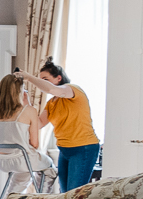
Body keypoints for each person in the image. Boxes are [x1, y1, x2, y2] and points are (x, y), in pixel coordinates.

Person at [15, 59, 101, 190]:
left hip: (83, 148)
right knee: (64, 193)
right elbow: (38, 124)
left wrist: (28, 77)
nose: (42, 83)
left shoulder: (73, 90)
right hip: (64, 149)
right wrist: (27, 103)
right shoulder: (52, 103)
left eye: (45, 79)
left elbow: (51, 89)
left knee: (74, 194)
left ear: (58, 78)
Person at [0, 73, 55, 194]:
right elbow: (35, 144)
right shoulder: (29, 111)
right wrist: (28, 104)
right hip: (21, 160)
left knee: (22, 171)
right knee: (49, 167)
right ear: (20, 92)